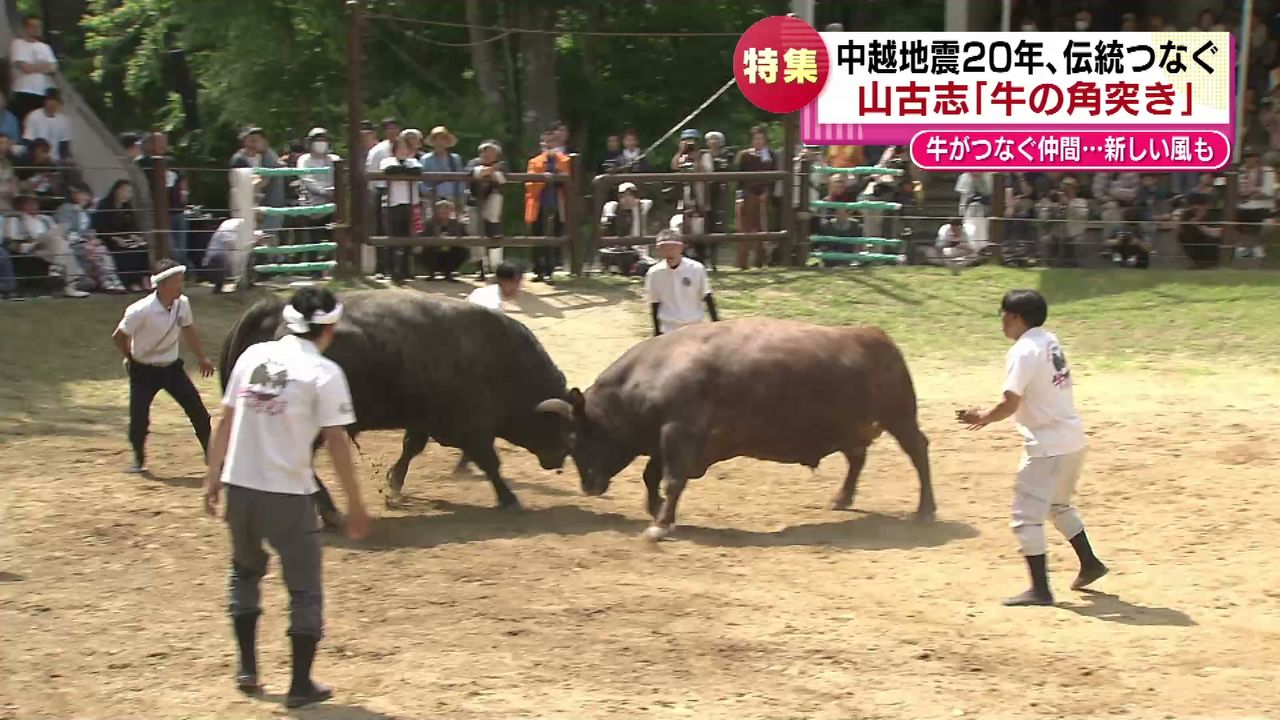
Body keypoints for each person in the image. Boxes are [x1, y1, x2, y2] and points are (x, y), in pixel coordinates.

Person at [202, 286, 370, 709]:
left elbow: (225, 420)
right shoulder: (325, 373)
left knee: (244, 573)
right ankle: (299, 685)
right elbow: (335, 442)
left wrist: (212, 476)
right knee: (304, 590)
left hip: (240, 487)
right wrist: (355, 502)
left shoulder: (252, 357)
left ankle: (248, 669)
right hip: (289, 495)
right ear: (328, 327)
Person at [957, 290, 1108, 607]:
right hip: (1072, 441)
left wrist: (982, 417)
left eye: (1003, 314)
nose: (1001, 321)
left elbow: (1011, 401)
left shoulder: (1023, 350)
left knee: (1026, 518)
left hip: (1047, 446)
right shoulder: (1049, 340)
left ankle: (1040, 590)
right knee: (1058, 506)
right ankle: (1090, 563)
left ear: (1015, 316)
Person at [112, 259, 214, 473]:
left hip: (171, 368)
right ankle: (138, 459)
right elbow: (119, 336)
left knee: (198, 411)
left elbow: (189, 329)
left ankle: (212, 455)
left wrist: (202, 357)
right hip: (144, 371)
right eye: (177, 281)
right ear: (163, 284)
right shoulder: (140, 310)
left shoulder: (182, 304)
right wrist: (130, 358)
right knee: (139, 419)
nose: (181, 285)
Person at [6, 192, 88, 297]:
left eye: (35, 203)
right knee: (61, 248)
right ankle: (69, 286)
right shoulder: (14, 219)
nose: (34, 205)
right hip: (30, 249)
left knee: (59, 241)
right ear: (21, 204)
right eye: (30, 203)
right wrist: (31, 245)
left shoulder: (46, 219)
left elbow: (56, 233)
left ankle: (59, 274)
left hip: (50, 248)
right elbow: (10, 243)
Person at [645, 230, 718, 336]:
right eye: (664, 249)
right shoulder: (654, 273)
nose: (669, 253)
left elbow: (707, 296)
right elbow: (655, 303)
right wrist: (656, 331)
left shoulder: (696, 269)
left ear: (680, 248)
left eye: (672, 248)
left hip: (694, 326)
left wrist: (716, 324)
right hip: (669, 328)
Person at [56, 183, 124, 292]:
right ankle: (105, 280)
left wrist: (93, 239)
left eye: (86, 195)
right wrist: (84, 241)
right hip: (70, 244)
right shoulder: (65, 209)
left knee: (101, 249)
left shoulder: (85, 212)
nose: (86, 198)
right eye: (82, 194)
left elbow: (89, 231)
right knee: (97, 252)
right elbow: (65, 230)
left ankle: (111, 280)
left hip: (85, 243)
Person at [524, 127, 571, 282]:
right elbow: (530, 183)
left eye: (552, 142)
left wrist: (556, 176)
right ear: (541, 143)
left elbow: (568, 180)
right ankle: (538, 269)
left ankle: (550, 271)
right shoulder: (534, 161)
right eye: (546, 142)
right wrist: (544, 177)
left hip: (557, 203)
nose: (549, 145)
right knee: (537, 236)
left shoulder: (564, 160)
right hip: (539, 202)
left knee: (554, 236)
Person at [379, 136, 422, 283]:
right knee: (393, 238)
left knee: (407, 238)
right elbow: (390, 170)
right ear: (394, 150)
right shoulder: (387, 160)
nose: (403, 151)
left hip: (410, 204)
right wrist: (404, 171)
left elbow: (417, 171)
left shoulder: (414, 161)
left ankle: (405, 270)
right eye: (400, 148)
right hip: (393, 204)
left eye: (406, 148)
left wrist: (402, 171)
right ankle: (392, 271)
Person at [94, 179, 149, 292]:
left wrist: (134, 236)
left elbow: (131, 225)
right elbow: (101, 227)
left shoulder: (126, 206)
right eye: (125, 191)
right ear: (117, 191)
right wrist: (115, 238)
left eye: (129, 192)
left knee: (142, 248)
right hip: (109, 238)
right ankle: (129, 282)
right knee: (124, 251)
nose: (127, 195)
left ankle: (143, 279)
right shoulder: (105, 205)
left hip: (126, 238)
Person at [736, 125, 777, 269]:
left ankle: (760, 261)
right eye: (756, 138)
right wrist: (740, 195)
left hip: (764, 195)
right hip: (747, 194)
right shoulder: (745, 155)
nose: (759, 141)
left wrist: (767, 192)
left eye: (761, 138)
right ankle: (742, 263)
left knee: (762, 228)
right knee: (744, 229)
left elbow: (774, 176)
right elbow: (739, 178)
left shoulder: (770, 155)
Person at [9, 15, 58, 125]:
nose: (36, 29)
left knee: (38, 123)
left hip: (41, 92)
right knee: (23, 122)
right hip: (23, 91)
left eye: (38, 27)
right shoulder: (18, 44)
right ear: (25, 28)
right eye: (33, 26)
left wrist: (34, 66)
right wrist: (43, 66)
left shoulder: (44, 47)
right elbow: (25, 68)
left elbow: (53, 67)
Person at [421, 126, 467, 207]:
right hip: (434, 197)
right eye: (436, 139)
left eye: (443, 139)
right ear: (433, 142)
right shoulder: (426, 159)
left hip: (454, 197)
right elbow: (421, 180)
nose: (440, 142)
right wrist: (430, 194)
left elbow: (461, 178)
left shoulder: (455, 158)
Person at [22, 88, 71, 161]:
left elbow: (64, 144)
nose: (53, 103)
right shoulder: (34, 116)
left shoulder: (64, 120)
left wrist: (63, 160)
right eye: (50, 100)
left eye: (55, 101)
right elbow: (28, 141)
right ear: (45, 101)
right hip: (36, 160)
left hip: (55, 161)